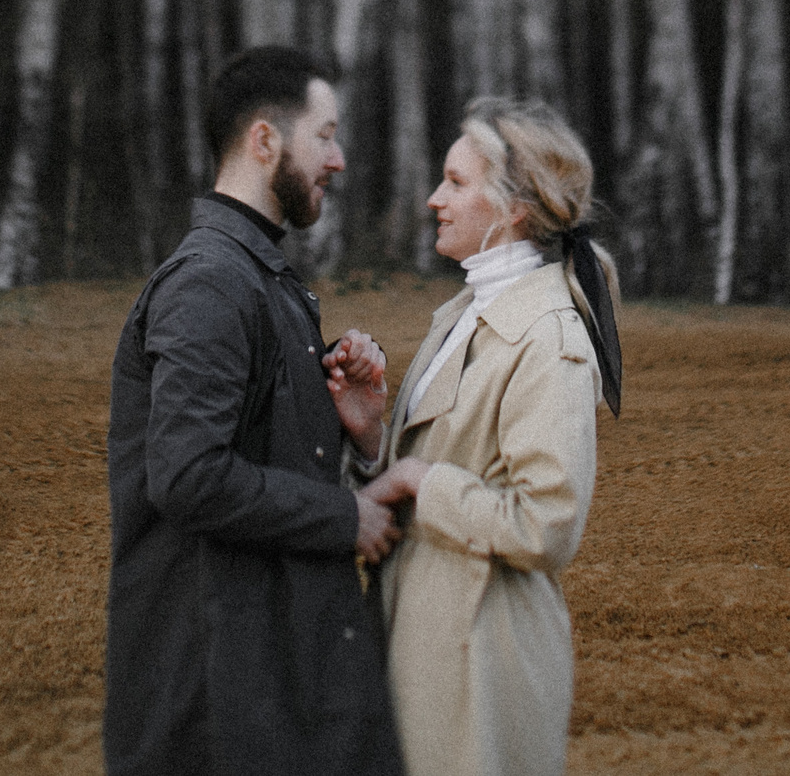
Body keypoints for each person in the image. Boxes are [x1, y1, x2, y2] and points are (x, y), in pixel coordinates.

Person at [103, 46, 406, 776]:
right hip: (216, 709)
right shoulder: (212, 282)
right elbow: (188, 475)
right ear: (264, 140)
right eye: (325, 134)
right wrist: (346, 517)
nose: (337, 159)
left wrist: (355, 430)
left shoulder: (260, 276)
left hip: (269, 688)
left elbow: (263, 456)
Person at [362, 97, 625, 776]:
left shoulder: (550, 336)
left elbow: (546, 524)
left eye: (455, 181)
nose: (433, 198)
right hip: (418, 637)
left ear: (513, 206)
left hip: (483, 657)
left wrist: (422, 481)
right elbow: (421, 466)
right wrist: (369, 434)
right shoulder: (462, 313)